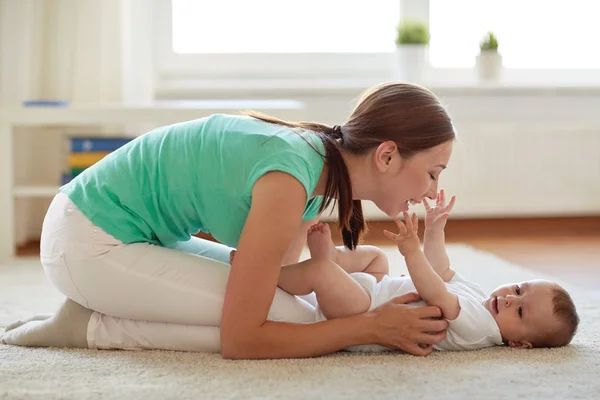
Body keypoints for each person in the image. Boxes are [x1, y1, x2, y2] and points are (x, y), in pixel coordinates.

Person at [1, 82, 455, 358]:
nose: (433, 191)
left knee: (291, 310)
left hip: (134, 236)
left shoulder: (323, 171)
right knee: (293, 322)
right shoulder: (291, 176)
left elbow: (278, 277)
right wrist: (370, 327)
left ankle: (102, 302)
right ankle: (90, 327)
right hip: (88, 239)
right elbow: (244, 340)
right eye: (433, 173)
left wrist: (340, 270)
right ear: (388, 155)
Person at [263, 190, 580, 352]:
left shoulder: (481, 327)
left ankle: (270, 274)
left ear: (519, 344)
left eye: (521, 312)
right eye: (519, 289)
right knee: (376, 260)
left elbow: (434, 290)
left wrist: (412, 251)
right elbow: (440, 270)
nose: (511, 299)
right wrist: (435, 230)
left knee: (321, 274)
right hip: (374, 292)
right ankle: (333, 257)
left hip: (360, 312)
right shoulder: (482, 299)